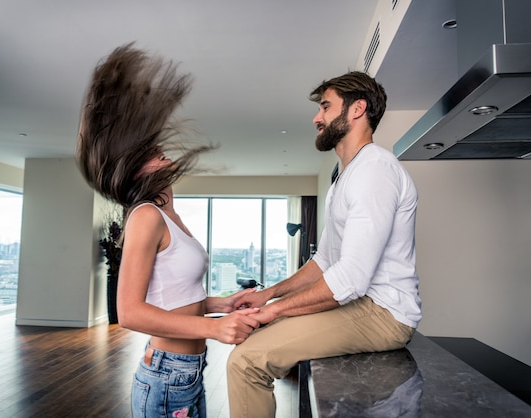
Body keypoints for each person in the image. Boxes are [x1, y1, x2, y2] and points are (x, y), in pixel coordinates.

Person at [75, 43, 260, 418]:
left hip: (186, 373)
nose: (160, 151)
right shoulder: (145, 216)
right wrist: (215, 329)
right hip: (166, 376)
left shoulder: (168, 215)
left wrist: (218, 306)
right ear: (135, 168)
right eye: (148, 152)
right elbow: (128, 313)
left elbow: (174, 297)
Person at [227, 71, 422, 417]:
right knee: (256, 333)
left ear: (357, 109)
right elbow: (325, 262)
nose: (317, 117)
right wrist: (268, 294)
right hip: (363, 303)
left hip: (383, 313)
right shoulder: (344, 178)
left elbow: (350, 278)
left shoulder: (375, 171)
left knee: (246, 362)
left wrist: (275, 310)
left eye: (326, 107)